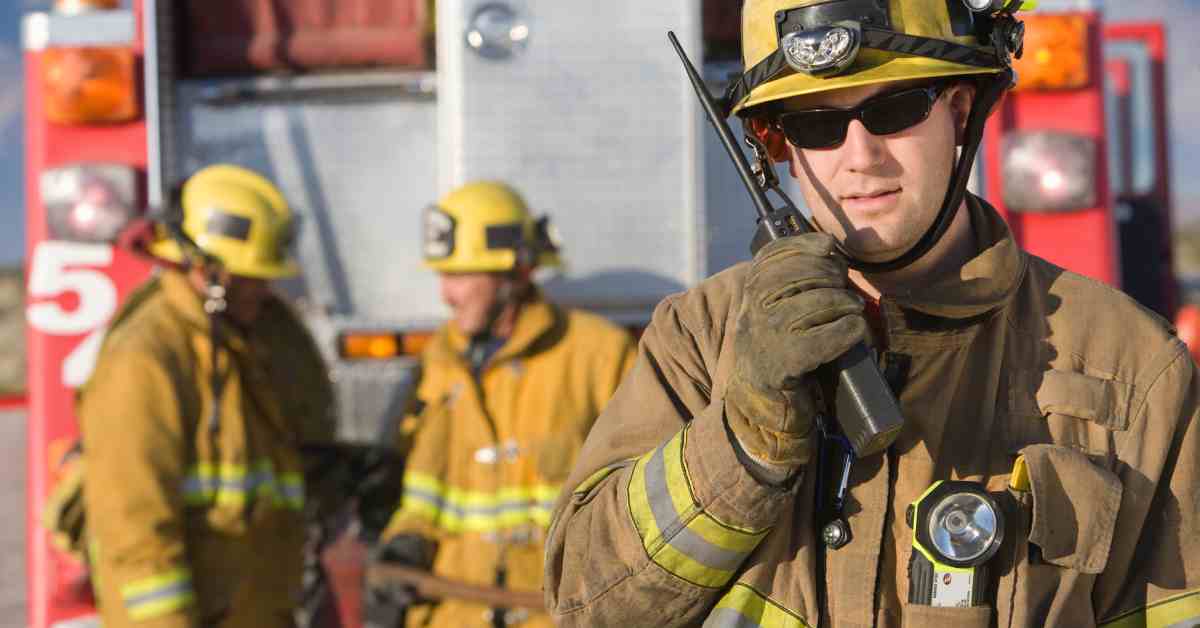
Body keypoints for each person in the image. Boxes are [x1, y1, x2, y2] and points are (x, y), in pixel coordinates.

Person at [543, 1, 1200, 627]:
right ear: (776, 149)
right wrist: (742, 440)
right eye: (816, 123)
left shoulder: (1131, 364)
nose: (861, 156)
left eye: (896, 110)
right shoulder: (699, 338)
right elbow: (587, 606)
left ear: (960, 111)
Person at [78, 164, 336, 628]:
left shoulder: (252, 340)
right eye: (249, 276)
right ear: (204, 269)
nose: (264, 288)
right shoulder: (146, 359)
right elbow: (134, 529)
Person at [370, 181, 637, 627]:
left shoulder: (599, 356)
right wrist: (405, 544)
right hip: (452, 612)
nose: (445, 294)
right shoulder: (438, 363)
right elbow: (423, 495)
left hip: (555, 613)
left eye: (460, 275)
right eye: (442, 275)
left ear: (517, 272)